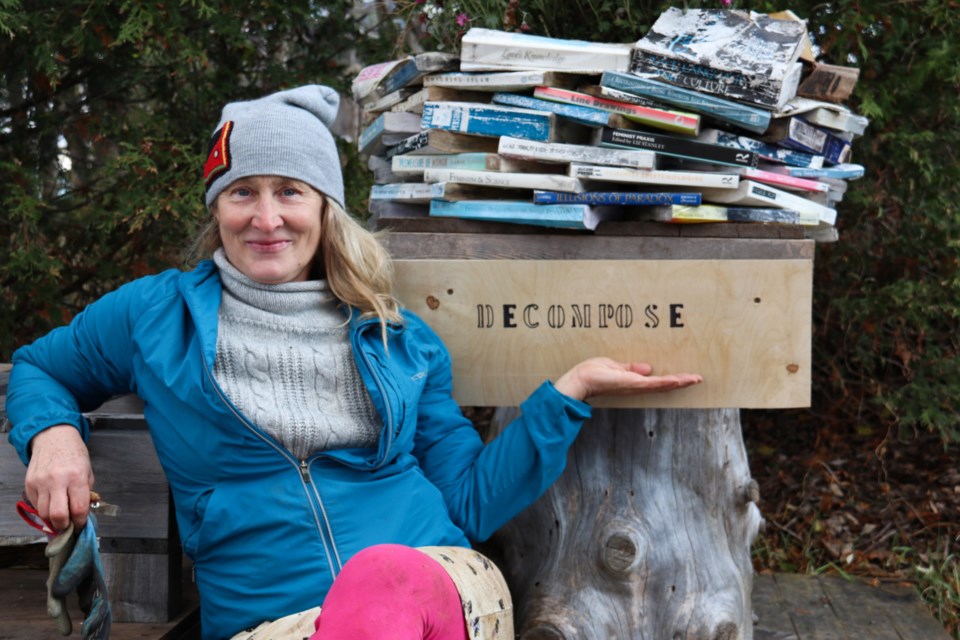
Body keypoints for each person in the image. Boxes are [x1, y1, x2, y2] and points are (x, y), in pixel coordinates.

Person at [6, 85, 702, 640]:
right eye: (243, 191)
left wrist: (568, 393)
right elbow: (41, 368)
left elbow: (467, 500)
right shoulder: (154, 318)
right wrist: (54, 435)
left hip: (433, 588)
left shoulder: (398, 338)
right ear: (217, 207)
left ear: (326, 208)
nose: (266, 217)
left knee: (380, 585)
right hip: (271, 621)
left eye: (291, 192)